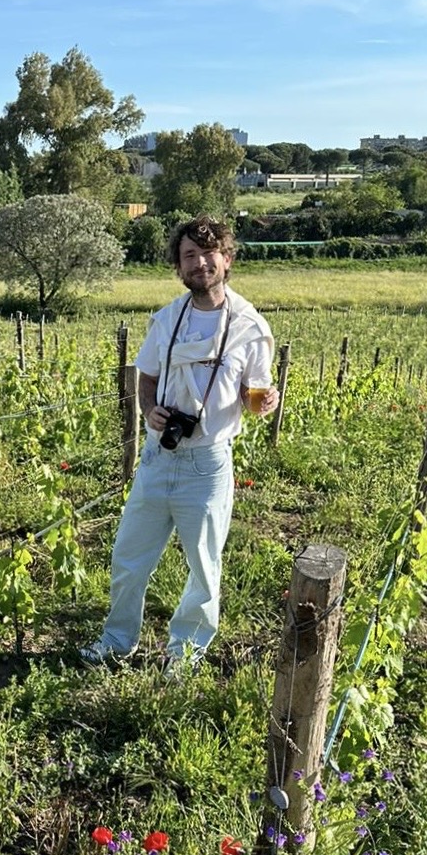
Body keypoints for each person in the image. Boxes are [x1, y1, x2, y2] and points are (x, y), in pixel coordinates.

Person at [81, 215, 279, 675]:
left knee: (204, 570)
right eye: (189, 255)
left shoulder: (249, 326)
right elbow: (146, 376)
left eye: (208, 254)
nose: (199, 263)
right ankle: (116, 642)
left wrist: (264, 403)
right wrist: (148, 410)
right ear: (179, 266)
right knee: (129, 557)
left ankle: (184, 656)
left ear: (226, 260)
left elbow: (257, 397)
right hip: (157, 457)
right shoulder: (168, 319)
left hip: (206, 465)